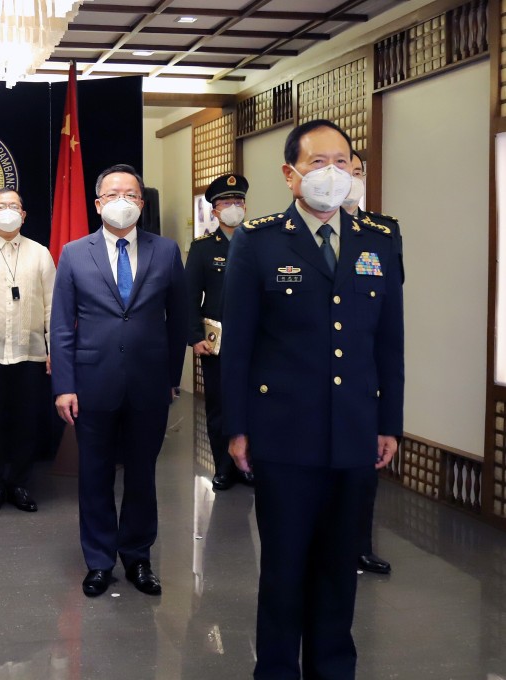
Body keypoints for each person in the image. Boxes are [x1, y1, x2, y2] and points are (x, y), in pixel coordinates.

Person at [222, 120, 404, 679]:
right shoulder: (258, 240)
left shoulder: (380, 236)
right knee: (283, 568)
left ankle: (333, 668)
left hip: (353, 433)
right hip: (283, 434)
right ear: (290, 173)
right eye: (319, 162)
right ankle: (275, 669)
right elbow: (239, 346)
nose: (334, 173)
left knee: (337, 569)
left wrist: (389, 422)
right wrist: (237, 429)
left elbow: (389, 341)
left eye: (344, 162)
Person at [50, 163, 187, 598]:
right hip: (92, 383)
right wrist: (65, 385)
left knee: (143, 475)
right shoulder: (74, 253)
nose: (122, 202)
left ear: (142, 204)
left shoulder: (165, 251)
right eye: (112, 194)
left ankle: (138, 556)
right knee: (94, 475)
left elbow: (178, 320)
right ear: (97, 203)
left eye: (131, 194)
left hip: (149, 384)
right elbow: (61, 326)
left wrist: (171, 378)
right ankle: (99, 560)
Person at [0, 188, 55, 514]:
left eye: (13, 206)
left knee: (26, 423)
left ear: (23, 215)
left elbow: (52, 307)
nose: (7, 211)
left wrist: (54, 349)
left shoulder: (40, 254)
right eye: (0, 206)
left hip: (30, 353)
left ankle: (19, 483)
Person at [343, 149, 400, 576]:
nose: (350, 177)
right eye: (343, 169)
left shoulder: (384, 232)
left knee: (363, 474)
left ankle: (360, 544)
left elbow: (390, 305)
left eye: (357, 171)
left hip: (365, 372)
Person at [185, 173, 253, 491]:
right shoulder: (202, 249)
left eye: (239, 201)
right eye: (227, 202)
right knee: (220, 405)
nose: (234, 207)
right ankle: (224, 466)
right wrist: (195, 336)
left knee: (254, 402)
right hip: (218, 342)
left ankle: (248, 464)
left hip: (257, 341)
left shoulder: (258, 243)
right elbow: (188, 297)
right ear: (214, 210)